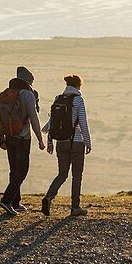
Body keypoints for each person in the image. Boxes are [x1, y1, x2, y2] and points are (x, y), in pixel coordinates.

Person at [41, 74, 92, 217]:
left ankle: (49, 197)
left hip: (60, 143)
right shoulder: (78, 101)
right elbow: (83, 123)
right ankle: (75, 207)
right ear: (78, 86)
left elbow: (52, 122)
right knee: (77, 176)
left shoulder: (58, 99)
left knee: (62, 174)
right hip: (76, 143)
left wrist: (49, 141)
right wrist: (88, 142)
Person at [0, 66, 45, 216]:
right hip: (23, 137)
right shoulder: (28, 95)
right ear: (29, 80)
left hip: (9, 136)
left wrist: (2, 138)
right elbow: (34, 117)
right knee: (23, 170)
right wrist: (40, 138)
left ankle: (15, 202)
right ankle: (6, 200)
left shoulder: (8, 94)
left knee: (14, 169)